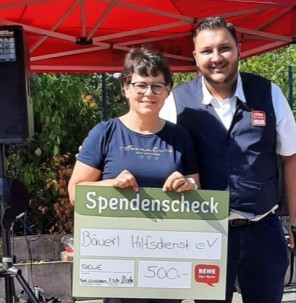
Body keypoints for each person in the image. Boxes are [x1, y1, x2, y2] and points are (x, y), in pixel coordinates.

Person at [160, 16, 296, 303]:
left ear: (239, 49)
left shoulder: (269, 94)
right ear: (195, 56)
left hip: (263, 231)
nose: (216, 58)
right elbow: (157, 159)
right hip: (205, 235)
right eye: (206, 51)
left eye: (224, 48)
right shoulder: (175, 103)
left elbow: (292, 158)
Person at [68, 47, 200, 303]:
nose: (148, 93)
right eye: (140, 85)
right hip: (119, 262)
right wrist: (110, 184)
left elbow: (197, 189)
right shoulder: (104, 133)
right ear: (125, 88)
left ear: (168, 90)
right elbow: (76, 192)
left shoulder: (180, 137)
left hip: (167, 262)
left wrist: (188, 184)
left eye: (157, 86)